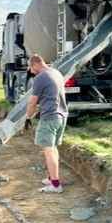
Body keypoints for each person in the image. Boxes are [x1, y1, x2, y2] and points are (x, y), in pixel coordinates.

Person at [25, 54, 68, 193]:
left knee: (47, 149)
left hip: (49, 116)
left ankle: (55, 185)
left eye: (31, 68)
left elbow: (32, 102)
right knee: (53, 147)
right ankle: (52, 178)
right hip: (61, 115)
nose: (31, 71)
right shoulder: (56, 73)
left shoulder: (40, 77)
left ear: (36, 65)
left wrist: (28, 118)